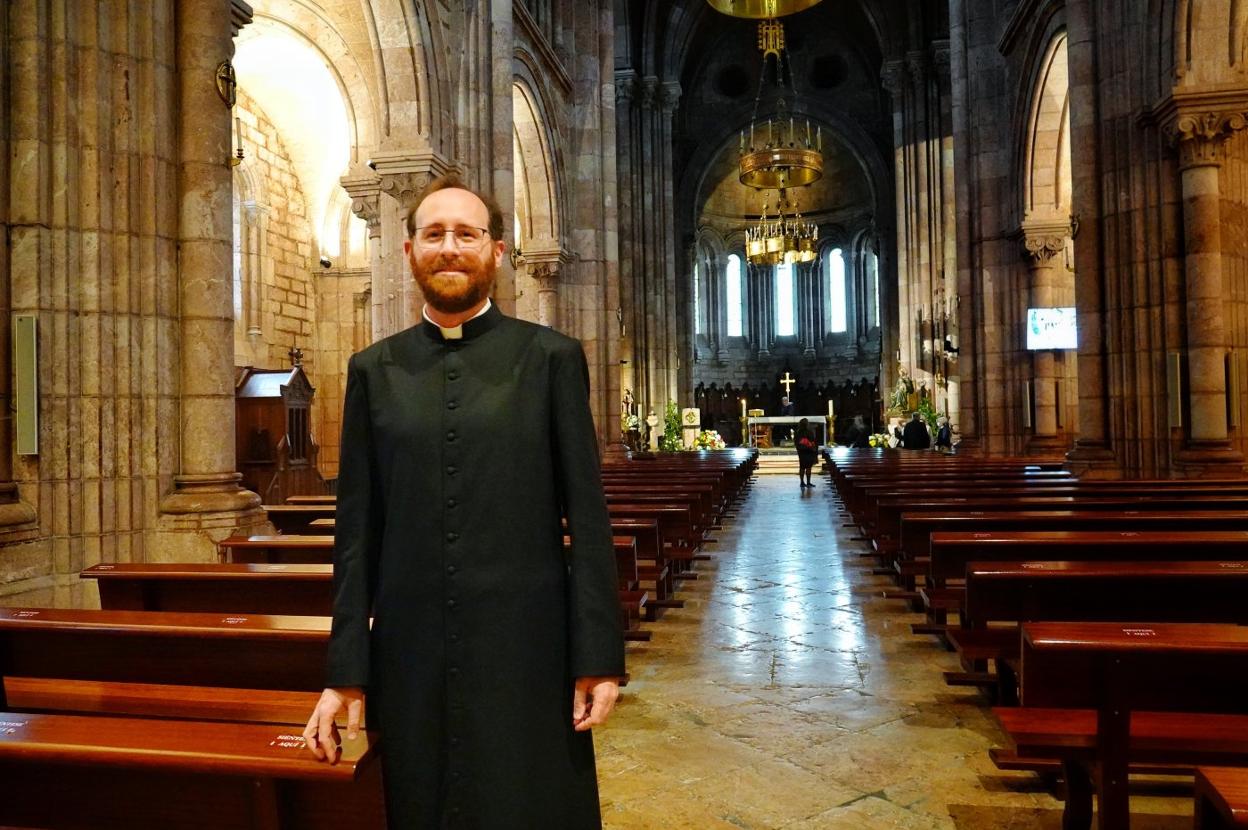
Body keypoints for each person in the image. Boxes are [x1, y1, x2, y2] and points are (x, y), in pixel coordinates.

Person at [303, 176, 624, 828]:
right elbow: (356, 533)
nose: (450, 247)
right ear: (408, 251)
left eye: (467, 233)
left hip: (529, 651)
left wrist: (597, 659)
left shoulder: (551, 359)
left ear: (497, 252)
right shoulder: (373, 371)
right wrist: (345, 673)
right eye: (434, 233)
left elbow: (588, 523)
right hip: (411, 655)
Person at [794, 417, 819, 488]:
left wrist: (799, 448)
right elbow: (813, 441)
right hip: (809, 451)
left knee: (802, 467)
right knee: (808, 467)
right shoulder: (810, 431)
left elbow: (796, 442)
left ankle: (802, 482)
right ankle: (808, 482)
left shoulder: (797, 432)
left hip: (801, 451)